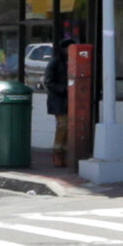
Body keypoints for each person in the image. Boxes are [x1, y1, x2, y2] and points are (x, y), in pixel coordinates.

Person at [45, 36, 71, 168]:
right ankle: (57, 153)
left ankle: (65, 154)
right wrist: (63, 89)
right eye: (68, 49)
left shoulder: (72, 62)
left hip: (70, 100)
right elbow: (48, 82)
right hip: (58, 100)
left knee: (69, 127)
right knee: (62, 125)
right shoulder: (55, 62)